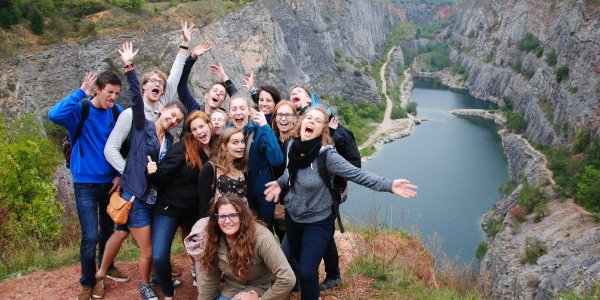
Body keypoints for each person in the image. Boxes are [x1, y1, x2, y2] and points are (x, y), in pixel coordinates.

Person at [264, 106, 418, 300]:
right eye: (308, 117)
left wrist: (389, 185)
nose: (310, 121)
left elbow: (358, 174)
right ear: (302, 122)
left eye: (317, 120)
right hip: (294, 218)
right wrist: (279, 183)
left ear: (323, 130)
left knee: (306, 272)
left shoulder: (327, 156)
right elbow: (290, 172)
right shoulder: (292, 146)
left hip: (317, 222)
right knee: (292, 262)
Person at [101, 21, 195, 287]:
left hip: (151, 188)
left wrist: (184, 45)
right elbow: (110, 149)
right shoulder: (134, 114)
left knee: (144, 236)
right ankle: (99, 274)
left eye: (160, 84)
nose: (158, 85)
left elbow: (174, 79)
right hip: (134, 187)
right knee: (120, 231)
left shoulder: (164, 112)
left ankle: (155, 271)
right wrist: (128, 174)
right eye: (152, 82)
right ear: (143, 86)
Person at [48, 71, 124, 300]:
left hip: (111, 184)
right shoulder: (80, 111)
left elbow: (126, 144)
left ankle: (102, 274)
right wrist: (81, 91)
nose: (113, 97)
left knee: (108, 232)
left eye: (117, 93)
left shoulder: (117, 113)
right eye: (109, 92)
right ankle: (87, 282)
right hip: (85, 184)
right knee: (90, 236)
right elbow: (54, 114)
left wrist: (120, 174)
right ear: (98, 89)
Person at [147, 111, 213, 300]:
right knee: (159, 256)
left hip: (194, 211)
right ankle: (168, 292)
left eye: (202, 126)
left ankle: (205, 288)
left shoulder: (214, 149)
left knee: (205, 253)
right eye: (195, 129)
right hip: (170, 207)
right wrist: (152, 172)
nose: (200, 131)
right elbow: (162, 175)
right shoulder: (183, 148)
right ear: (190, 133)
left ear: (210, 125)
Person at [199, 193, 296, 300]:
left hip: (262, 289)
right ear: (216, 219)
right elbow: (210, 279)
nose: (227, 221)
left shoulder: (262, 237)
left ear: (241, 216)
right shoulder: (214, 238)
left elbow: (287, 278)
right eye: (222, 216)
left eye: (233, 215)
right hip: (233, 289)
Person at [227, 94, 283, 229]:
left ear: (248, 111)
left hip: (261, 193)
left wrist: (265, 127)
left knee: (263, 232)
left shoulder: (260, 131)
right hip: (238, 192)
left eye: (242, 108)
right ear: (229, 113)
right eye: (234, 109)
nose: (238, 112)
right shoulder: (226, 134)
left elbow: (277, 159)